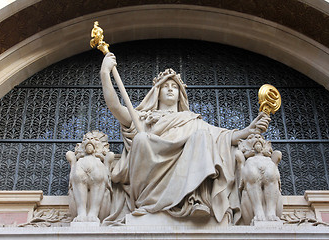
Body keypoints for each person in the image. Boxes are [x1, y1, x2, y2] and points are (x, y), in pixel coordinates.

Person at [100, 53, 270, 224]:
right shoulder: (143, 119)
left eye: (174, 86)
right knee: (141, 138)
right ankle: (150, 202)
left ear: (180, 93)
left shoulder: (192, 120)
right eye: (165, 86)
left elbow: (225, 137)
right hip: (148, 184)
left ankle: (196, 200)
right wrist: (105, 73)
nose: (170, 89)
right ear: (157, 93)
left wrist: (250, 129)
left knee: (203, 135)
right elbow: (115, 107)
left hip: (190, 190)